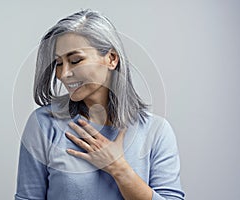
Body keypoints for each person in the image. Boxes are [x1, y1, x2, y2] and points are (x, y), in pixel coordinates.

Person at [15, 9, 185, 200]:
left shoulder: (156, 132)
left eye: (75, 60)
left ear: (111, 58)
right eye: (59, 63)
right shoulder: (44, 124)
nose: (63, 74)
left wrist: (119, 168)